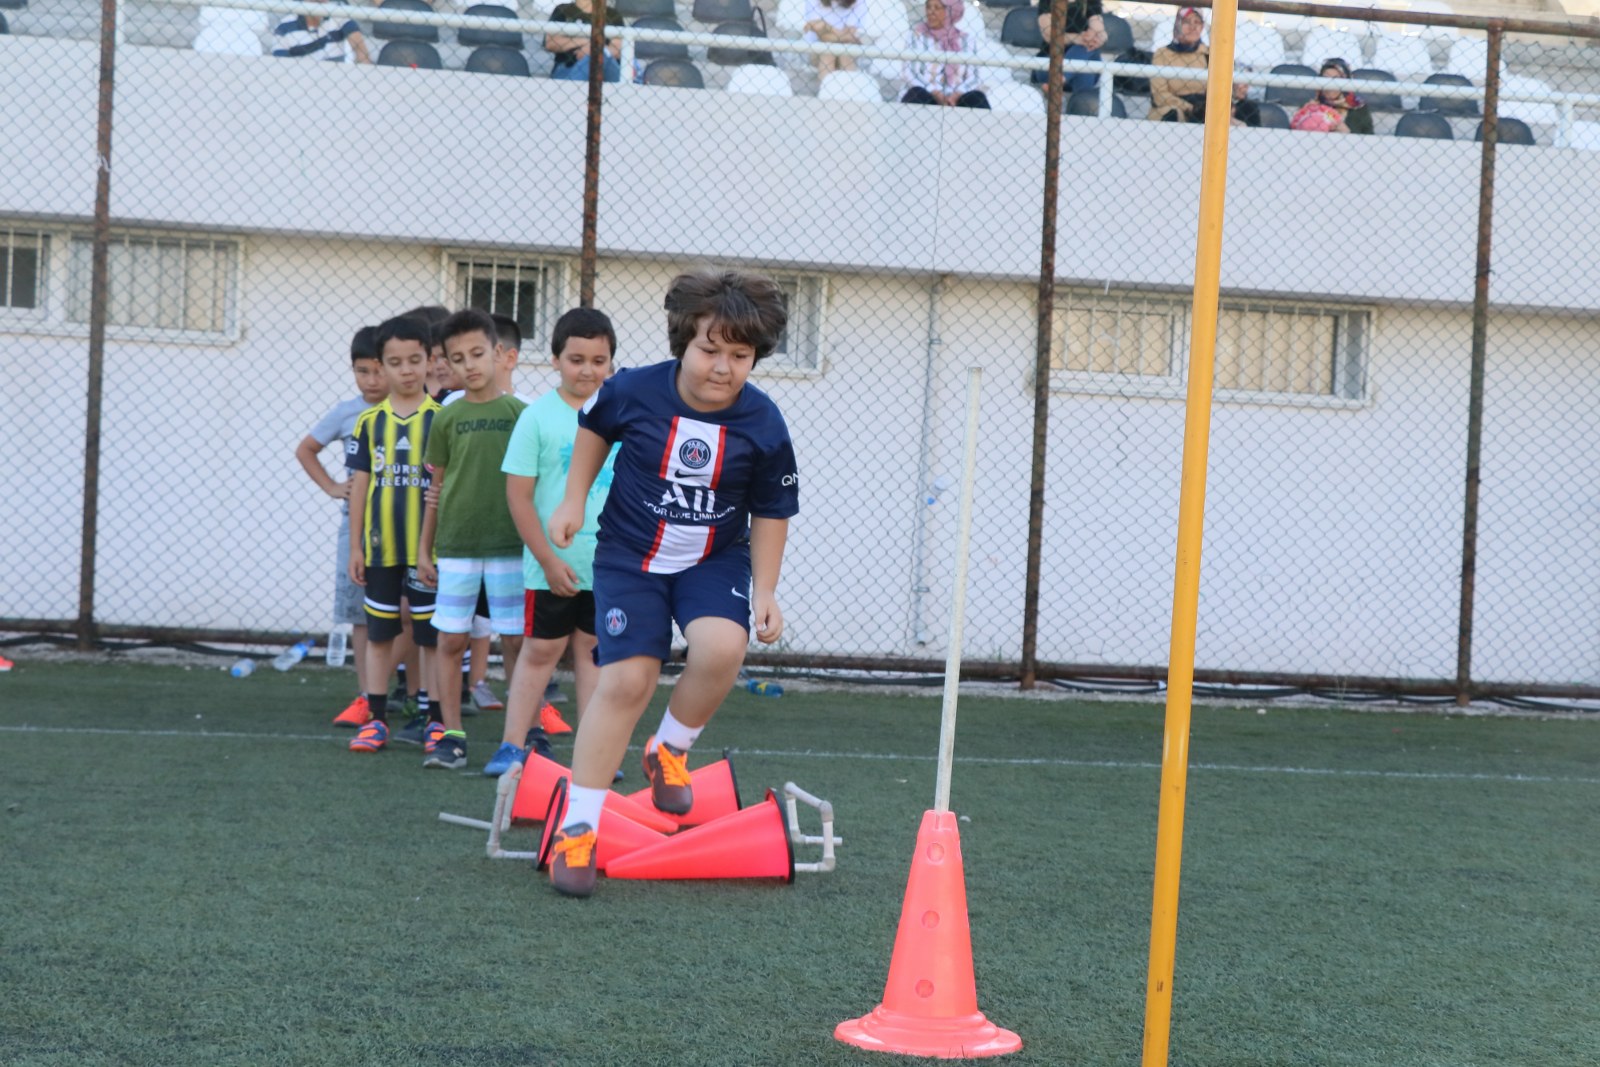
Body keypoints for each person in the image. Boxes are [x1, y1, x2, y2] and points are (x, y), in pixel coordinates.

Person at [542, 270, 800, 898]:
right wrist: (573, 499)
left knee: (722, 648)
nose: (723, 367)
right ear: (683, 341)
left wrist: (765, 590)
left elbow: (772, 511)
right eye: (710, 350)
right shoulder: (633, 390)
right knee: (627, 680)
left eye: (740, 355)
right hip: (629, 557)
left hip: (713, 560)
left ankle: (670, 749)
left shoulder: (764, 423)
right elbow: (593, 431)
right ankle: (577, 829)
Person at [486, 308, 620, 778]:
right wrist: (546, 558)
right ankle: (511, 745)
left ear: (611, 363)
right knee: (540, 651)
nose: (587, 370)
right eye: (576, 359)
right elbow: (518, 497)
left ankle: (593, 755)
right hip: (551, 565)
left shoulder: (621, 417)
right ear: (556, 361)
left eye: (598, 361)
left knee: (594, 651)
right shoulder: (537, 418)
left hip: (608, 565)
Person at [415, 310, 528, 771]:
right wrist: (424, 549)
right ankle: (452, 736)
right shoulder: (446, 417)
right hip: (457, 546)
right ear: (446, 363)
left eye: (477, 354)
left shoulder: (521, 415)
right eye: (457, 358)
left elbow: (533, 487)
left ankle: (519, 737)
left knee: (516, 641)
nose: (469, 365)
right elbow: (435, 488)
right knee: (450, 639)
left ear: (498, 353)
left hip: (511, 546)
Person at [344, 316, 442, 755]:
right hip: (380, 549)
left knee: (431, 636)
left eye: (414, 360)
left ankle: (436, 719)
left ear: (429, 361)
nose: (406, 370)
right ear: (381, 366)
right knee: (380, 634)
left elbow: (445, 486)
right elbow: (360, 486)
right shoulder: (369, 422)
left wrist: (435, 548)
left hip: (429, 553)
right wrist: (355, 546)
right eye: (395, 362)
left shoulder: (442, 419)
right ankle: (377, 719)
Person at [293, 325, 387, 729]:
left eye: (379, 370)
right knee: (361, 613)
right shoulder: (347, 412)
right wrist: (333, 486)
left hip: (403, 525)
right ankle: (367, 696)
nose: (372, 380)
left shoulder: (413, 412)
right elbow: (306, 449)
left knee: (404, 613)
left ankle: (405, 693)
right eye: (362, 371)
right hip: (357, 527)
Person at [1147, 7, 1257, 127]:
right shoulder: (1163, 54)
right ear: (1178, 24)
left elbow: (1221, 88)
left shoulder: (1209, 54)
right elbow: (1159, 94)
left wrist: (1235, 93)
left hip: (1206, 106)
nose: (1193, 27)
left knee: (1248, 109)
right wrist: (1190, 108)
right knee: (1176, 115)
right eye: (1187, 22)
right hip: (1176, 106)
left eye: (1197, 22)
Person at [902, 0, 989, 109]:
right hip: (926, 92)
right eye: (928, 7)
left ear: (951, 12)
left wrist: (956, 95)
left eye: (937, 8)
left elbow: (974, 76)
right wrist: (935, 92)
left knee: (978, 98)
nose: (931, 12)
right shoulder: (916, 36)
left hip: (958, 96)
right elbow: (911, 72)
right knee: (916, 95)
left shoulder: (966, 40)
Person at [546, 0, 626, 84]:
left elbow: (618, 49)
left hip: (606, 68)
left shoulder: (612, 14)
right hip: (569, 67)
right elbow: (550, 43)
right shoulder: (563, 10)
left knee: (598, 56)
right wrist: (588, 43)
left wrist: (595, 50)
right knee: (593, 58)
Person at [1036, 0, 1106, 95]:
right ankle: (1081, 101)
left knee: (1084, 49)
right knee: (1085, 71)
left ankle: (1058, 80)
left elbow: (1098, 28)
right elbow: (1048, 34)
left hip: (1082, 56)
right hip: (1051, 65)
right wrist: (1076, 38)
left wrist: (1096, 38)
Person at [1290, 57, 1373, 135]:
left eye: (1336, 79)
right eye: (1325, 78)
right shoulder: (1309, 107)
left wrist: (1347, 133)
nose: (1330, 84)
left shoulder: (1359, 110)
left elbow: (1369, 139)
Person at [272, 0, 372, 63]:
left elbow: (361, 52)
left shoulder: (339, 16)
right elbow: (280, 67)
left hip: (336, 81)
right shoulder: (284, 28)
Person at [803, 0, 864, 80]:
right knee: (829, 52)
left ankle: (849, 86)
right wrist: (843, 36)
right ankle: (827, 86)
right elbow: (823, 36)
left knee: (845, 53)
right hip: (818, 49)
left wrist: (826, 26)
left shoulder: (859, 2)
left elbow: (850, 34)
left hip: (847, 48)